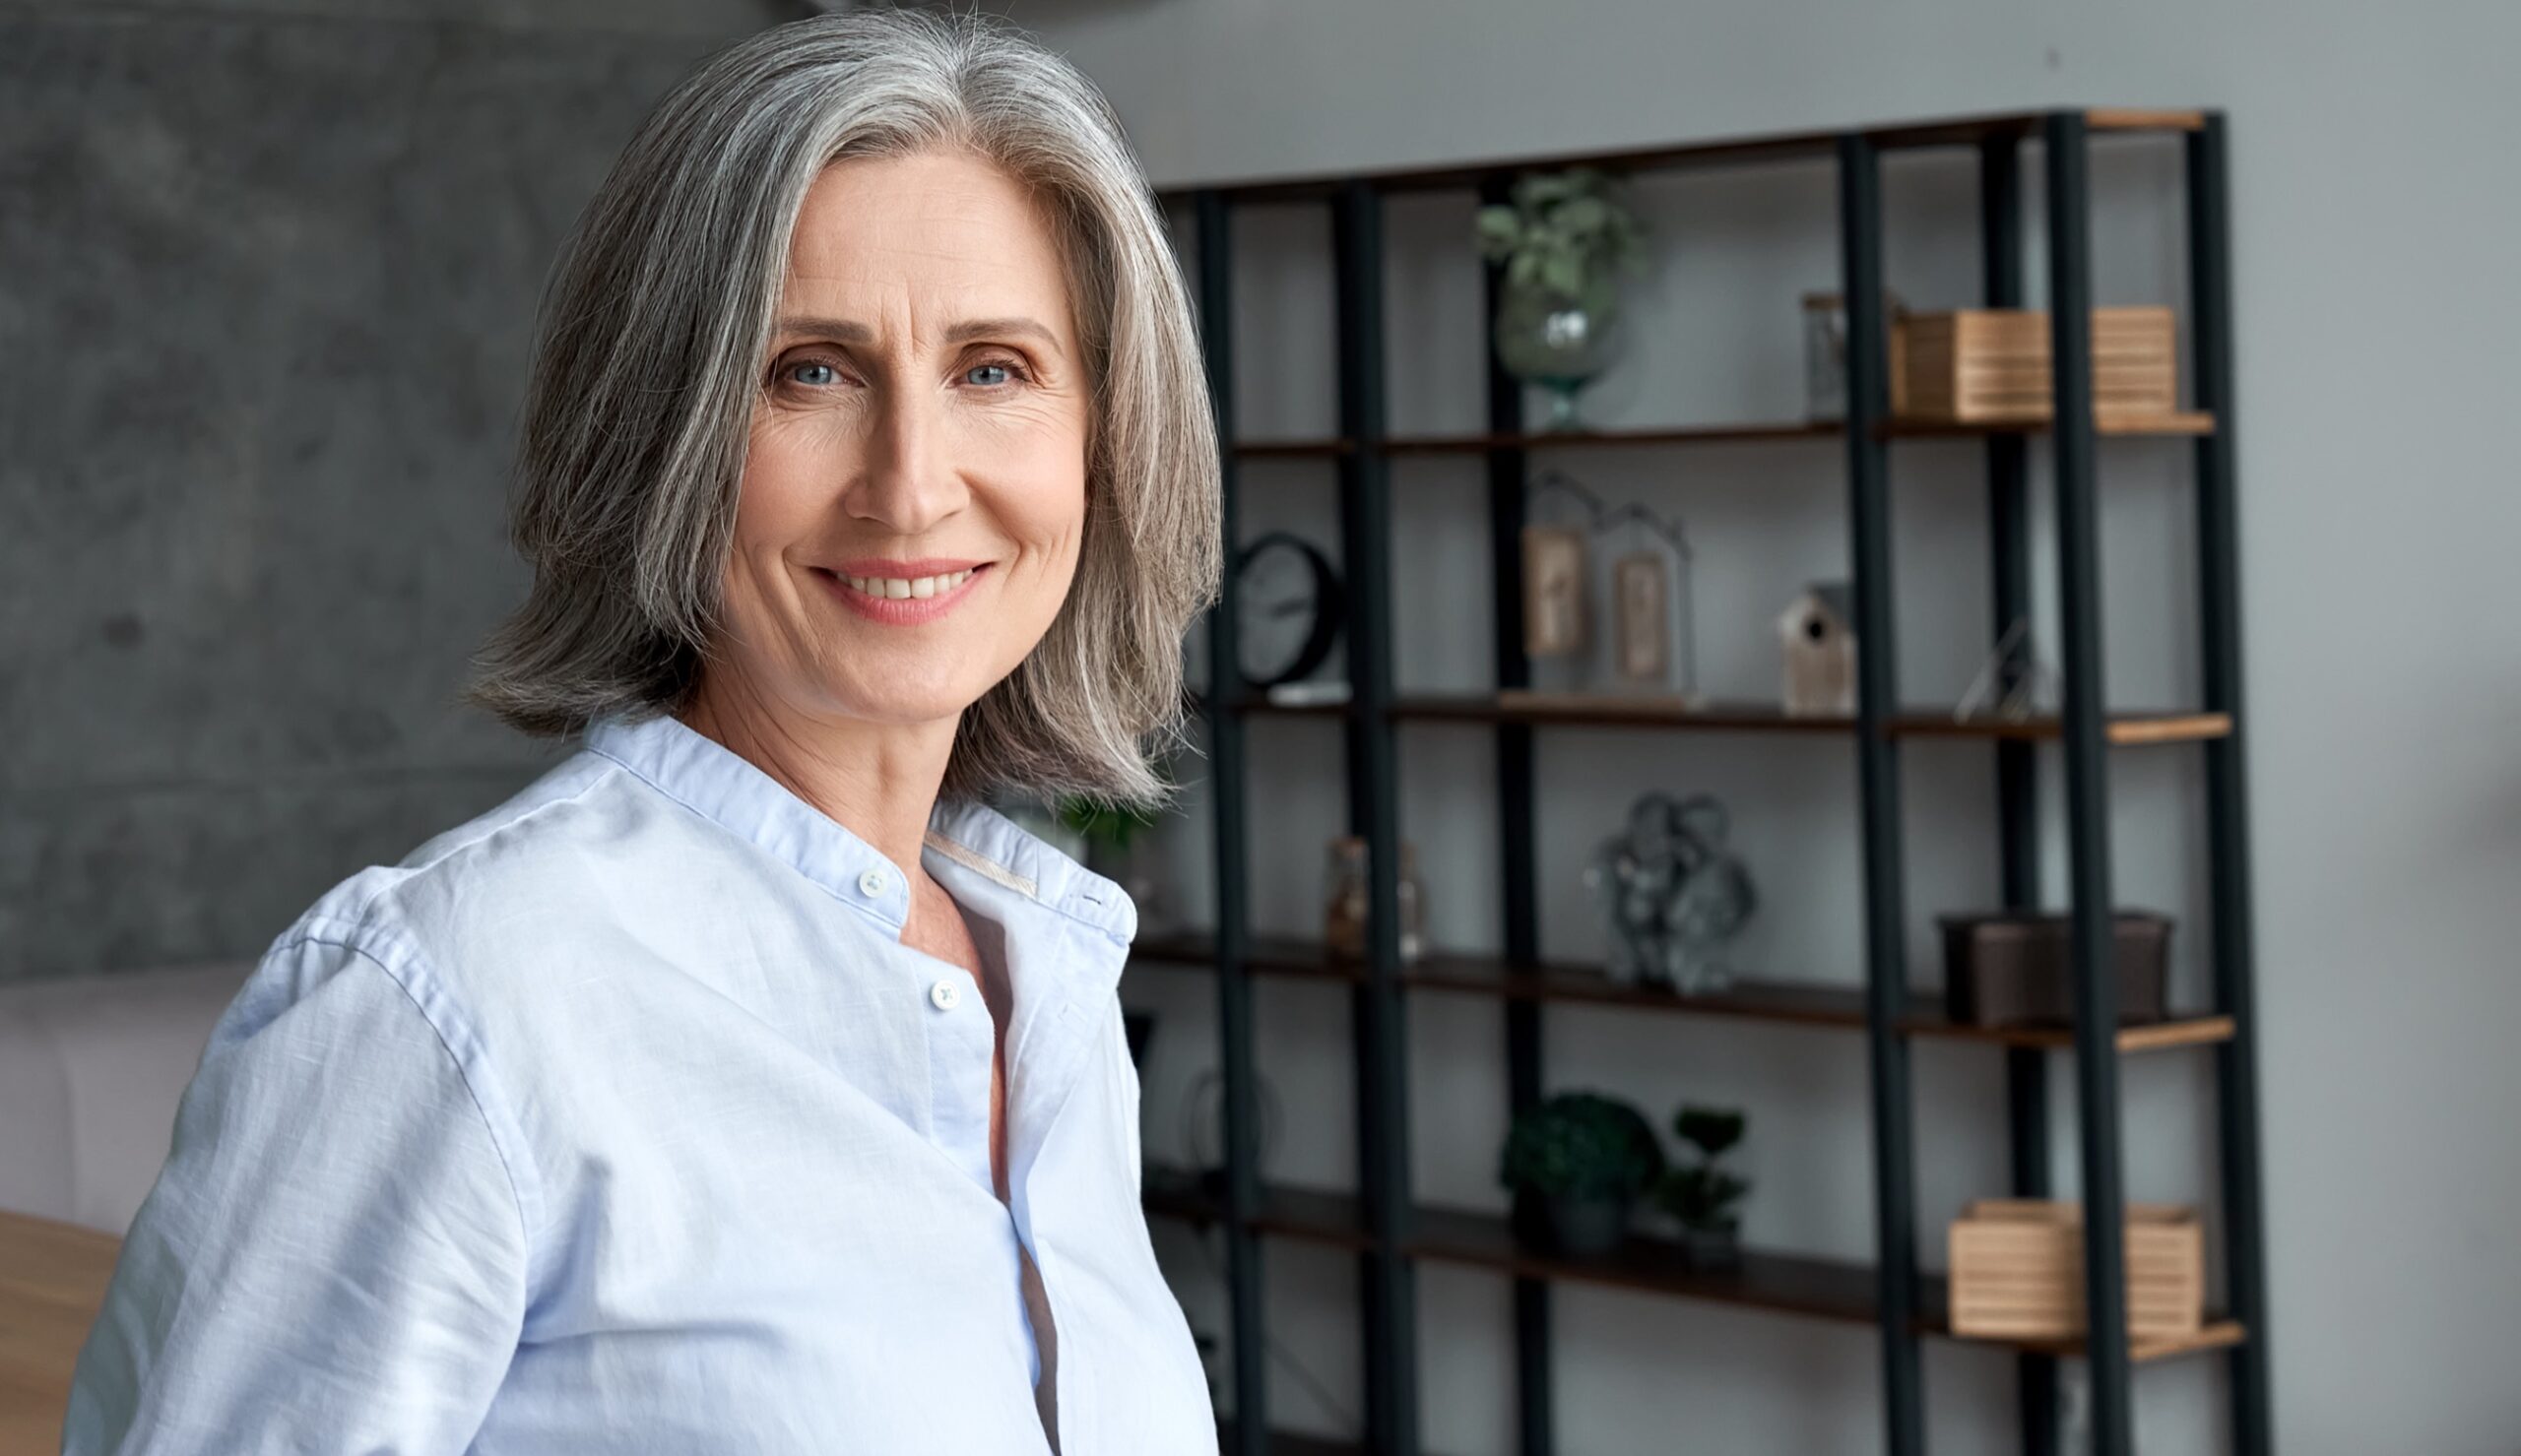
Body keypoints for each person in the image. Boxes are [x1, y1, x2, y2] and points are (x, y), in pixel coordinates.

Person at [61, 10, 1221, 1452]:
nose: (913, 486)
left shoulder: (1047, 985)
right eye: (810, 369)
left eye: (994, 369)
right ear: (660, 431)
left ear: (1105, 442)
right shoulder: (448, 1005)